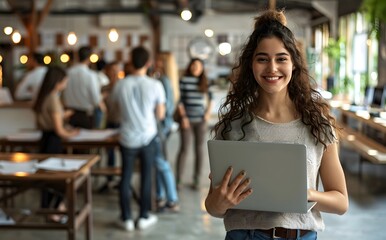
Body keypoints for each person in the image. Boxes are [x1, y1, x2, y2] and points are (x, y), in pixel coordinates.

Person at [204, 10, 349, 240]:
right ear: (251, 65)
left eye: (281, 58)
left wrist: (307, 194)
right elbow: (213, 208)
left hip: (301, 235)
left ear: (294, 64)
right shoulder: (231, 127)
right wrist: (221, 201)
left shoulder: (318, 126)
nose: (272, 68)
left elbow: (341, 202)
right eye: (262, 59)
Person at [111, 46, 165, 231]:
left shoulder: (121, 84)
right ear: (148, 63)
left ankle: (126, 218)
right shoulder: (155, 85)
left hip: (126, 136)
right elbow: (160, 114)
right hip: (148, 136)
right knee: (146, 176)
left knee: (125, 177)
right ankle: (143, 216)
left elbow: (115, 111)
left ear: (130, 61)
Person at [33, 66, 79, 223]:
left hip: (44, 139)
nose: (66, 83)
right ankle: (56, 211)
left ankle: (49, 209)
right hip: (53, 141)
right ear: (57, 82)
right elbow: (59, 130)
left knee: (48, 178)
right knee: (59, 178)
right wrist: (72, 133)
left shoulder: (43, 96)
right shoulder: (53, 98)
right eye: (65, 81)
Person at [175, 58, 213, 190]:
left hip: (200, 121)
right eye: (194, 65)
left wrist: (208, 113)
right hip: (186, 120)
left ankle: (196, 179)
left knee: (199, 149)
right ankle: (178, 179)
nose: (196, 68)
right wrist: (183, 117)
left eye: (198, 66)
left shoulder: (204, 81)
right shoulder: (184, 80)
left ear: (202, 68)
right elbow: (179, 100)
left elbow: (211, 98)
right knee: (184, 149)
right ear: (190, 66)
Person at [151, 52, 180, 212]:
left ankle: (171, 198)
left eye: (159, 60)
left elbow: (167, 106)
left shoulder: (163, 80)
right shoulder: (168, 79)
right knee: (160, 162)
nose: (156, 62)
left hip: (161, 125)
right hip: (165, 125)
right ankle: (161, 196)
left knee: (161, 162)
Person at [63, 46, 102, 129]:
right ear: (89, 57)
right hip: (86, 115)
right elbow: (95, 99)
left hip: (70, 113)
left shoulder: (68, 73)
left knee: (72, 141)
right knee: (87, 140)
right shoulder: (91, 75)